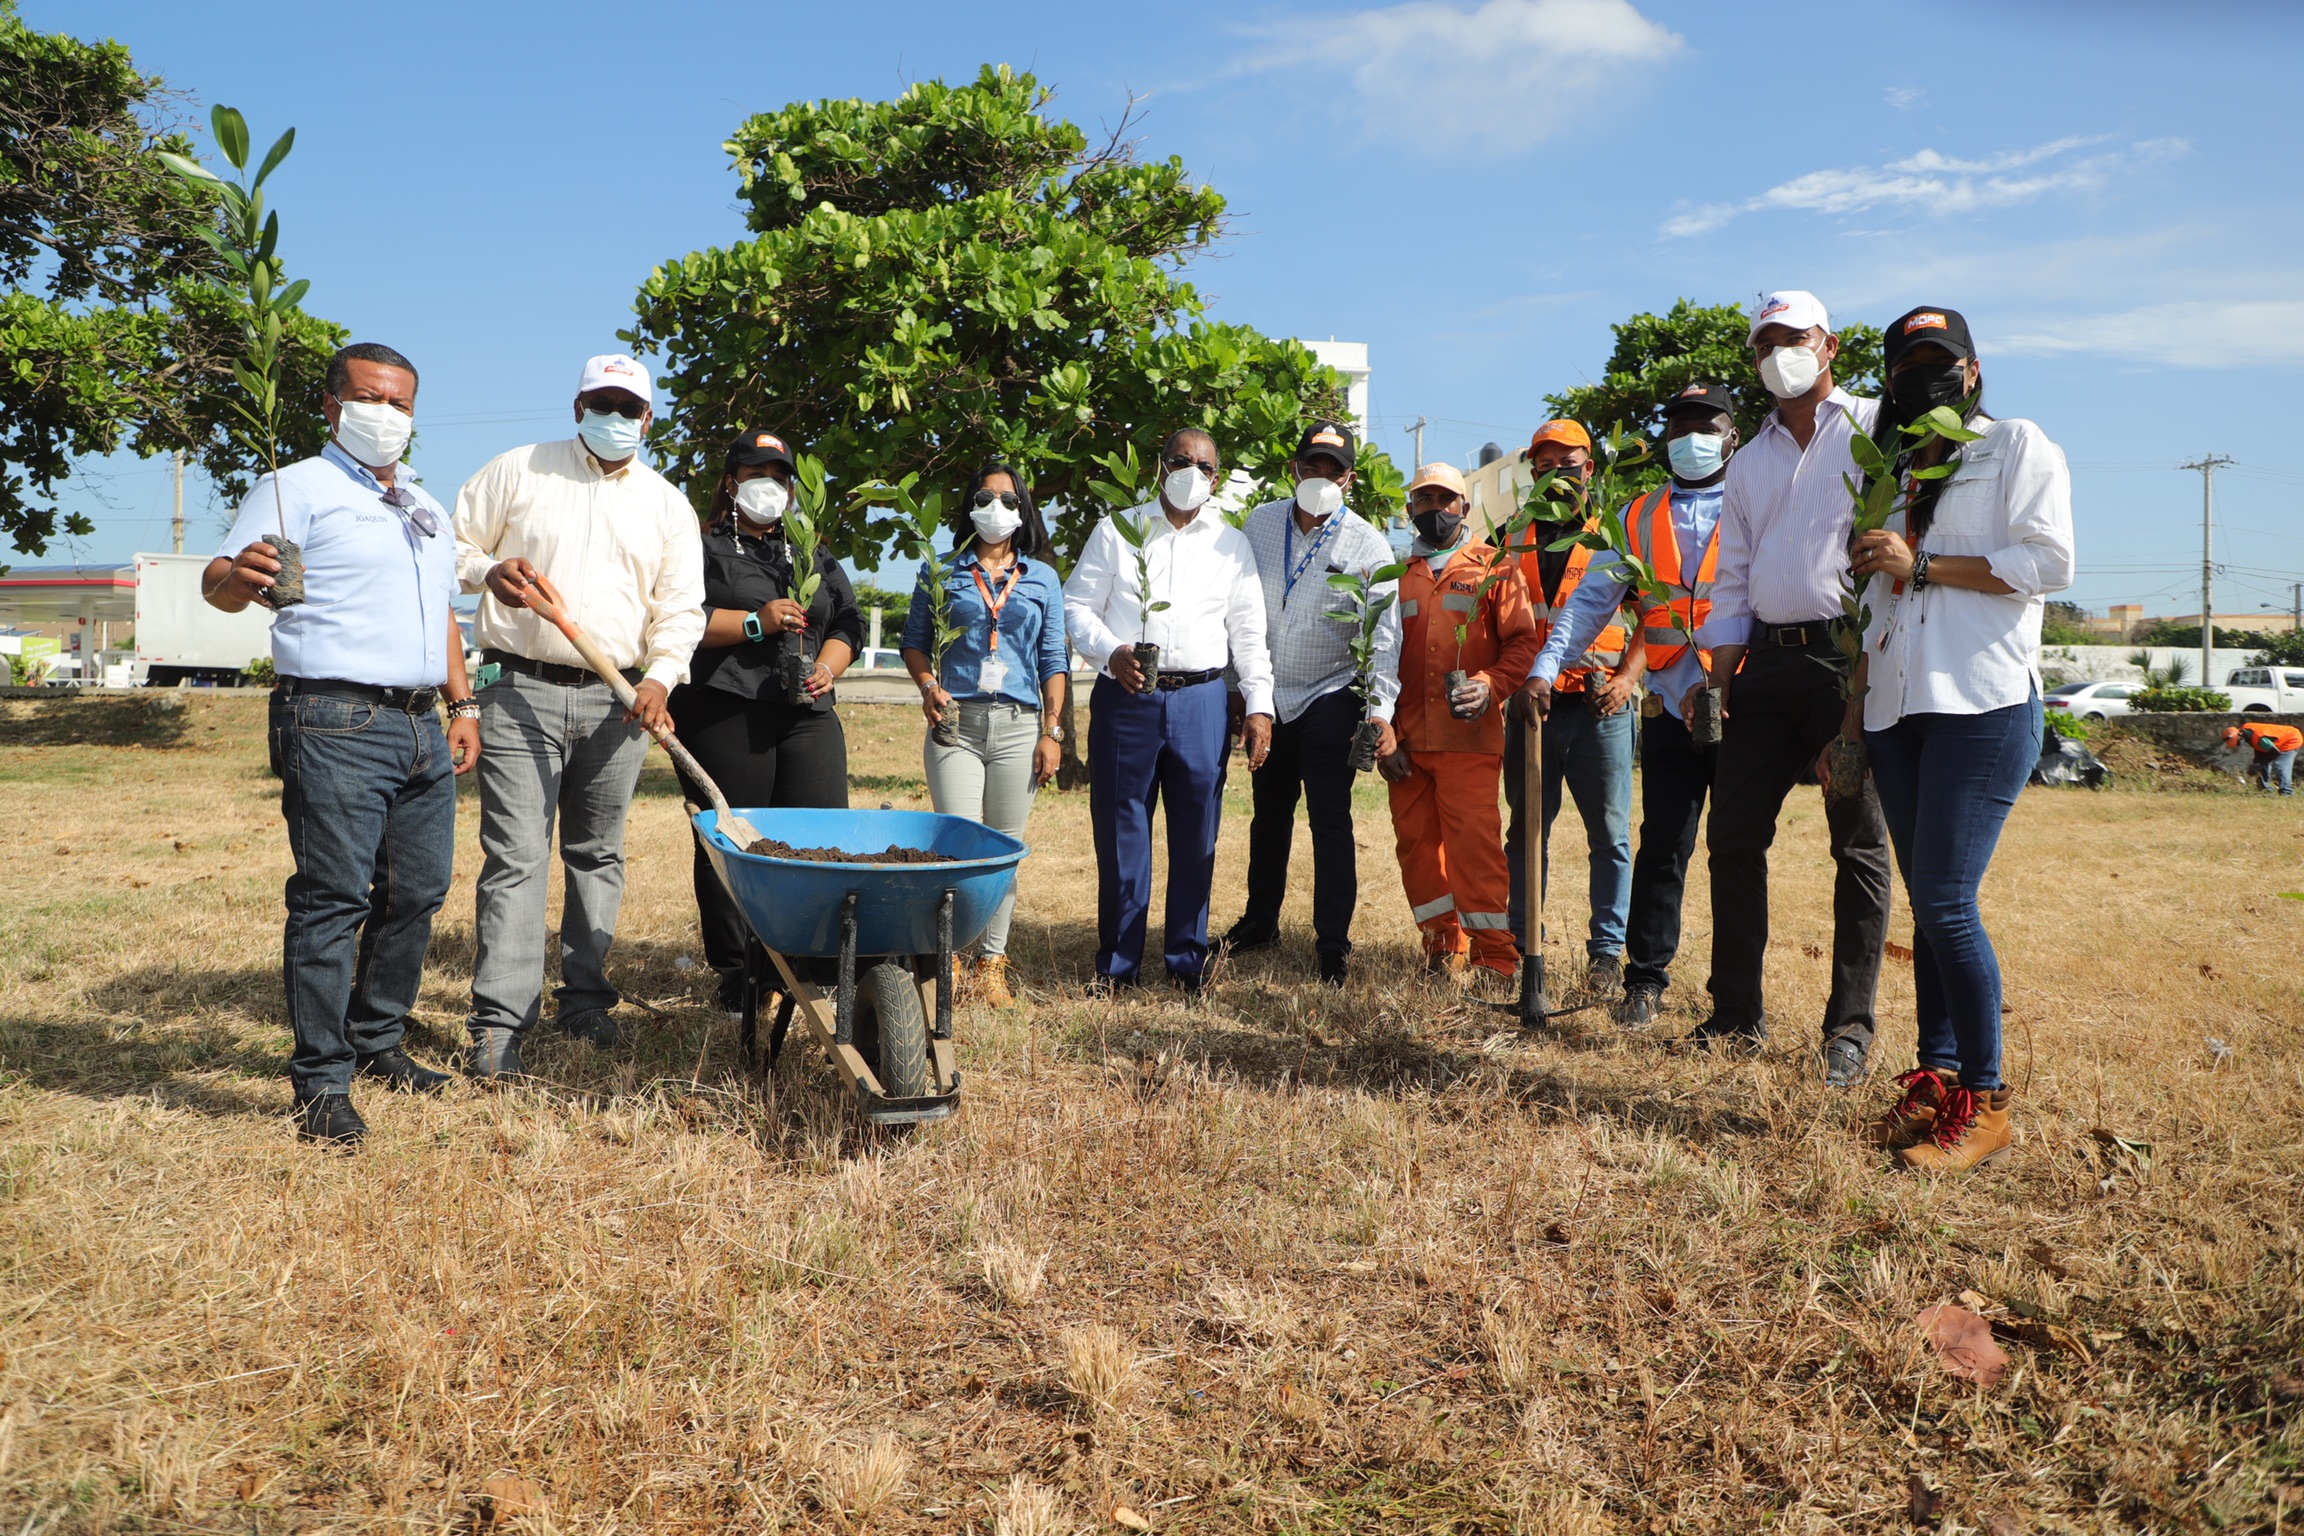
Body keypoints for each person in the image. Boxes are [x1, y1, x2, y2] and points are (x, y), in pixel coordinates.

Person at [204, 342, 479, 1145]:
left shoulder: (425, 506)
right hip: (333, 717)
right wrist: (236, 579)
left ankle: (377, 1039)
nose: (384, 415)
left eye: (400, 404)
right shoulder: (294, 486)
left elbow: (441, 613)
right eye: (369, 398)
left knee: (417, 893)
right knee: (333, 900)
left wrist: (462, 703)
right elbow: (221, 582)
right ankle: (322, 1081)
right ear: (331, 406)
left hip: (420, 723)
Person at [1836, 305, 2074, 1172]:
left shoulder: (2014, 445)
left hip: (1983, 705)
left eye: (1940, 362)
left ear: (1972, 371)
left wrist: (1925, 564)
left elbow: (2049, 563)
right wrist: (1851, 722)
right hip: (1898, 710)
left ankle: (1988, 1099)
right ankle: (1936, 1079)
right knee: (1929, 905)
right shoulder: (1893, 471)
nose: (1923, 378)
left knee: (1945, 902)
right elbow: (1872, 609)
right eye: (1906, 368)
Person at [452, 354, 706, 1078]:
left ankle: (586, 1002)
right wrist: (487, 572)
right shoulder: (518, 470)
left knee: (597, 853)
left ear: (648, 420)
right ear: (577, 407)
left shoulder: (667, 505)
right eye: (602, 403)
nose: (614, 418)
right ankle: (500, 1024)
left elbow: (681, 608)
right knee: (517, 856)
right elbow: (451, 548)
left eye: (629, 408)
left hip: (617, 700)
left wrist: (659, 679)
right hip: (518, 689)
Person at [1695, 291, 1894, 1085]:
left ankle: (1848, 1030)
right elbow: (1734, 575)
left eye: (1793, 337)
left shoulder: (1876, 427)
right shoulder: (1748, 461)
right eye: (1764, 343)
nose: (1778, 353)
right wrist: (1719, 676)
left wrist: (1869, 670)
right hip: (1765, 664)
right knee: (1732, 835)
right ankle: (1735, 1014)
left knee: (1857, 842)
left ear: (1829, 345)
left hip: (1847, 660)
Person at [1522, 384, 1738, 1027]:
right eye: (1679, 427)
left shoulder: (1756, 502)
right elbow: (1588, 605)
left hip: (1741, 702)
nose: (1691, 439)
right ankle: (1644, 981)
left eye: (1706, 426)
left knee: (1736, 851)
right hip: (1670, 704)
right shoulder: (1637, 517)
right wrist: (1544, 668)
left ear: (1733, 437)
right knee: (1662, 845)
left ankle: (1736, 1000)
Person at [1063, 427, 1275, 991]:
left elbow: (1248, 632)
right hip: (1126, 696)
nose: (1191, 473)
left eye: (1203, 466)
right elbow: (1076, 605)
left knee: (1197, 833)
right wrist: (1111, 650)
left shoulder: (1231, 544)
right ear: (1161, 468)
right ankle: (1118, 966)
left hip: (1202, 702)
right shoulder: (1117, 529)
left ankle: (1186, 960)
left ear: (1217, 479)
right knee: (1121, 830)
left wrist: (1259, 705)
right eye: (1180, 461)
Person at [671, 430, 863, 1018]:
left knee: (821, 835)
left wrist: (828, 668)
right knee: (734, 839)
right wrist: (755, 623)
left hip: (806, 711)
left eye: (780, 478)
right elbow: (678, 619)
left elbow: (847, 621)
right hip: (725, 707)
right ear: (731, 482)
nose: (770, 486)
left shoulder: (810, 553)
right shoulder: (699, 546)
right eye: (757, 475)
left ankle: (816, 966)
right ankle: (742, 974)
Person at [1220, 421, 1402, 987]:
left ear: (1350, 479)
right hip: (1269, 695)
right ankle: (1260, 921)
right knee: (1269, 813)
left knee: (1329, 818)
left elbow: (1384, 638)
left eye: (1332, 469)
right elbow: (1236, 608)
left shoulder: (1368, 544)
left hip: (1330, 693)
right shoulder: (1260, 523)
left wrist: (1379, 711)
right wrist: (1236, 687)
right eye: (1311, 465)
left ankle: (1332, 944)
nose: (1320, 476)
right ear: (1293, 468)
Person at [903, 460, 1068, 1007]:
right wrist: (928, 685)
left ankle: (992, 963)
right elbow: (914, 642)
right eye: (984, 497)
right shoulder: (941, 570)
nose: (995, 507)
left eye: (1007, 498)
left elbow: (1053, 658)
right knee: (955, 848)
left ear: (1023, 510)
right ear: (969, 507)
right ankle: (947, 957)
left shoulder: (1042, 577)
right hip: (956, 724)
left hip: (1020, 727)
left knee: (1003, 852)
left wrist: (1052, 731)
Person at [1376, 463, 1541, 986]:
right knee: (1417, 851)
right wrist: (1386, 733)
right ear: (1410, 510)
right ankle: (1442, 947)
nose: (1435, 509)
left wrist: (1491, 684)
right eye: (1424, 500)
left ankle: (1495, 959)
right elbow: (1379, 658)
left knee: (1475, 852)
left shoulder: (1495, 567)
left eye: (1446, 500)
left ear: (1464, 507)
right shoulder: (1395, 576)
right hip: (1407, 741)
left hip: (1468, 740)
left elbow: (1524, 643)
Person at [1502, 419, 1642, 999]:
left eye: (1569, 463)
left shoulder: (1615, 534)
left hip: (1598, 706)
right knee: (1526, 832)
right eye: (1545, 465)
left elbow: (1653, 614)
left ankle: (1606, 955)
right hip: (1531, 709)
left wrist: (1627, 678)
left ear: (1590, 468)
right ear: (1532, 472)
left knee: (1609, 836)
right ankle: (1521, 945)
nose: (1557, 474)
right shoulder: (1511, 539)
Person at [2227, 720, 2301, 794]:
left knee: (2280, 764)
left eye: (2238, 742)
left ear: (2240, 736)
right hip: (2276, 743)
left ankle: (2286, 791)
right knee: (2261, 763)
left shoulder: (2258, 737)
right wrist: (2256, 764)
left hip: (2291, 739)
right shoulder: (2247, 731)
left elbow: (2274, 752)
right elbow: (2260, 751)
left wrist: (2259, 764)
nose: (2239, 745)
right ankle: (2265, 789)